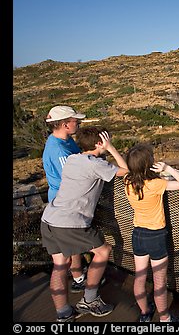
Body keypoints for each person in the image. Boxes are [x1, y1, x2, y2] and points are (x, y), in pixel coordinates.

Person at [40, 126, 129, 322]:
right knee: (103, 251)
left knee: (60, 265)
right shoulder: (96, 164)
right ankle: (89, 300)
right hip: (70, 222)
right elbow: (127, 171)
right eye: (106, 140)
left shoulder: (73, 159)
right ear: (99, 143)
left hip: (49, 218)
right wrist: (112, 148)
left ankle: (63, 313)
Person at [123, 143, 179, 322]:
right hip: (155, 236)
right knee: (159, 282)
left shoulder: (128, 182)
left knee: (140, 276)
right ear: (148, 163)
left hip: (137, 234)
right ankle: (165, 319)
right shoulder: (155, 184)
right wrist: (167, 168)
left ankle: (145, 313)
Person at [42, 105, 88, 293]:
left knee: (71, 246)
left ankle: (78, 277)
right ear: (65, 124)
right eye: (75, 120)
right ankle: (80, 282)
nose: (78, 123)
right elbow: (71, 176)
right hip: (65, 204)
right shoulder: (59, 149)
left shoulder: (65, 140)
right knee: (69, 252)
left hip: (65, 202)